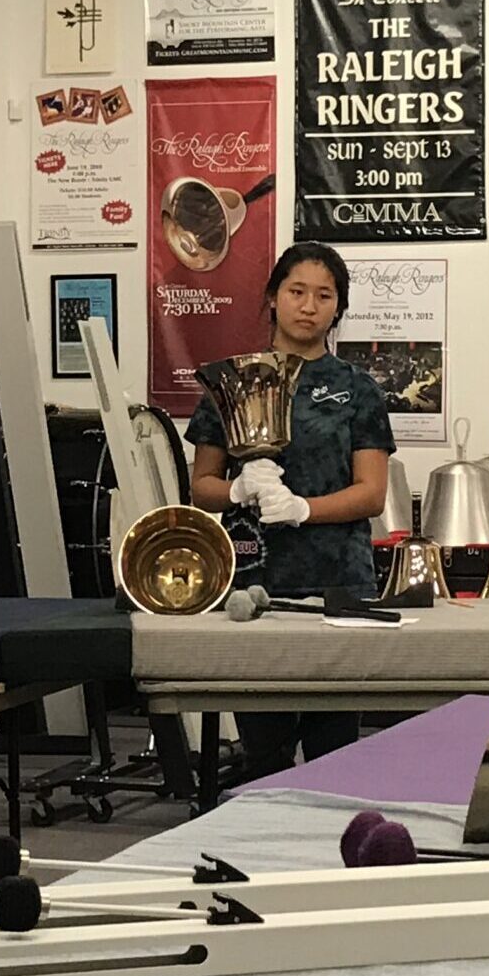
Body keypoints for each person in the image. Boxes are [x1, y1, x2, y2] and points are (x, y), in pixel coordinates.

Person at [186, 243, 394, 777]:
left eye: (324, 296)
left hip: (338, 583)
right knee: (263, 755)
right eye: (296, 291)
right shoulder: (228, 384)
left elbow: (371, 493)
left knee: (336, 754)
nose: (308, 306)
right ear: (272, 298)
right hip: (256, 582)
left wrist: (303, 508)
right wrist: (236, 493)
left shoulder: (357, 390)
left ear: (337, 308)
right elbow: (201, 488)